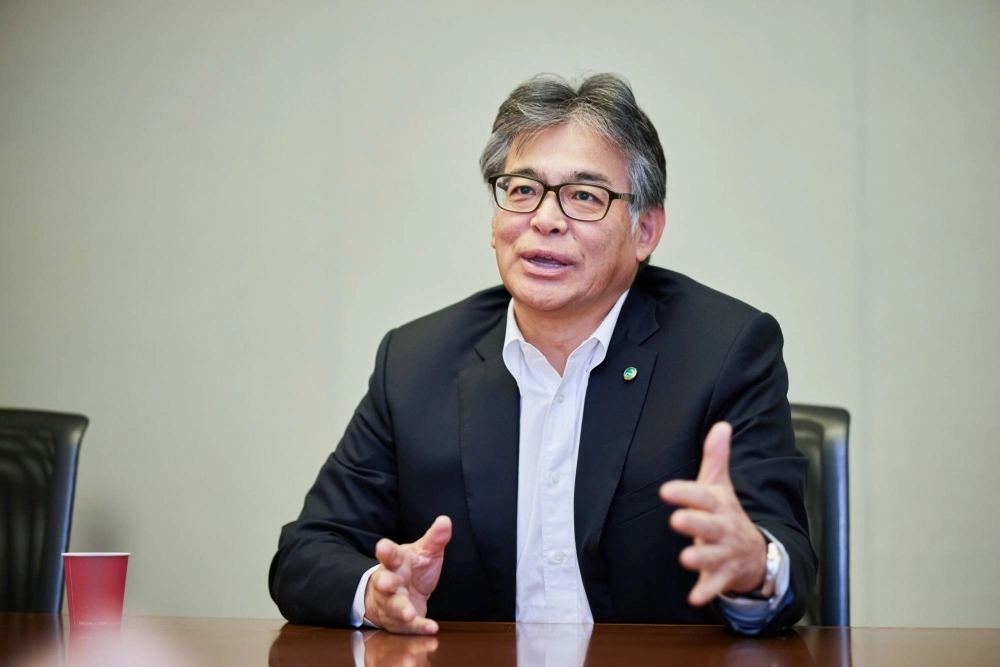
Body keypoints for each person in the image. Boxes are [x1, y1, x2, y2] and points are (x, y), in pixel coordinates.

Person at [269, 73, 815, 636]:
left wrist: (756, 566)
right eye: (523, 189)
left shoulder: (724, 349)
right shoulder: (414, 362)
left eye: (584, 195)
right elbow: (306, 554)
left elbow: (790, 565)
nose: (545, 219)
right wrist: (375, 594)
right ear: (495, 220)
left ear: (645, 230)